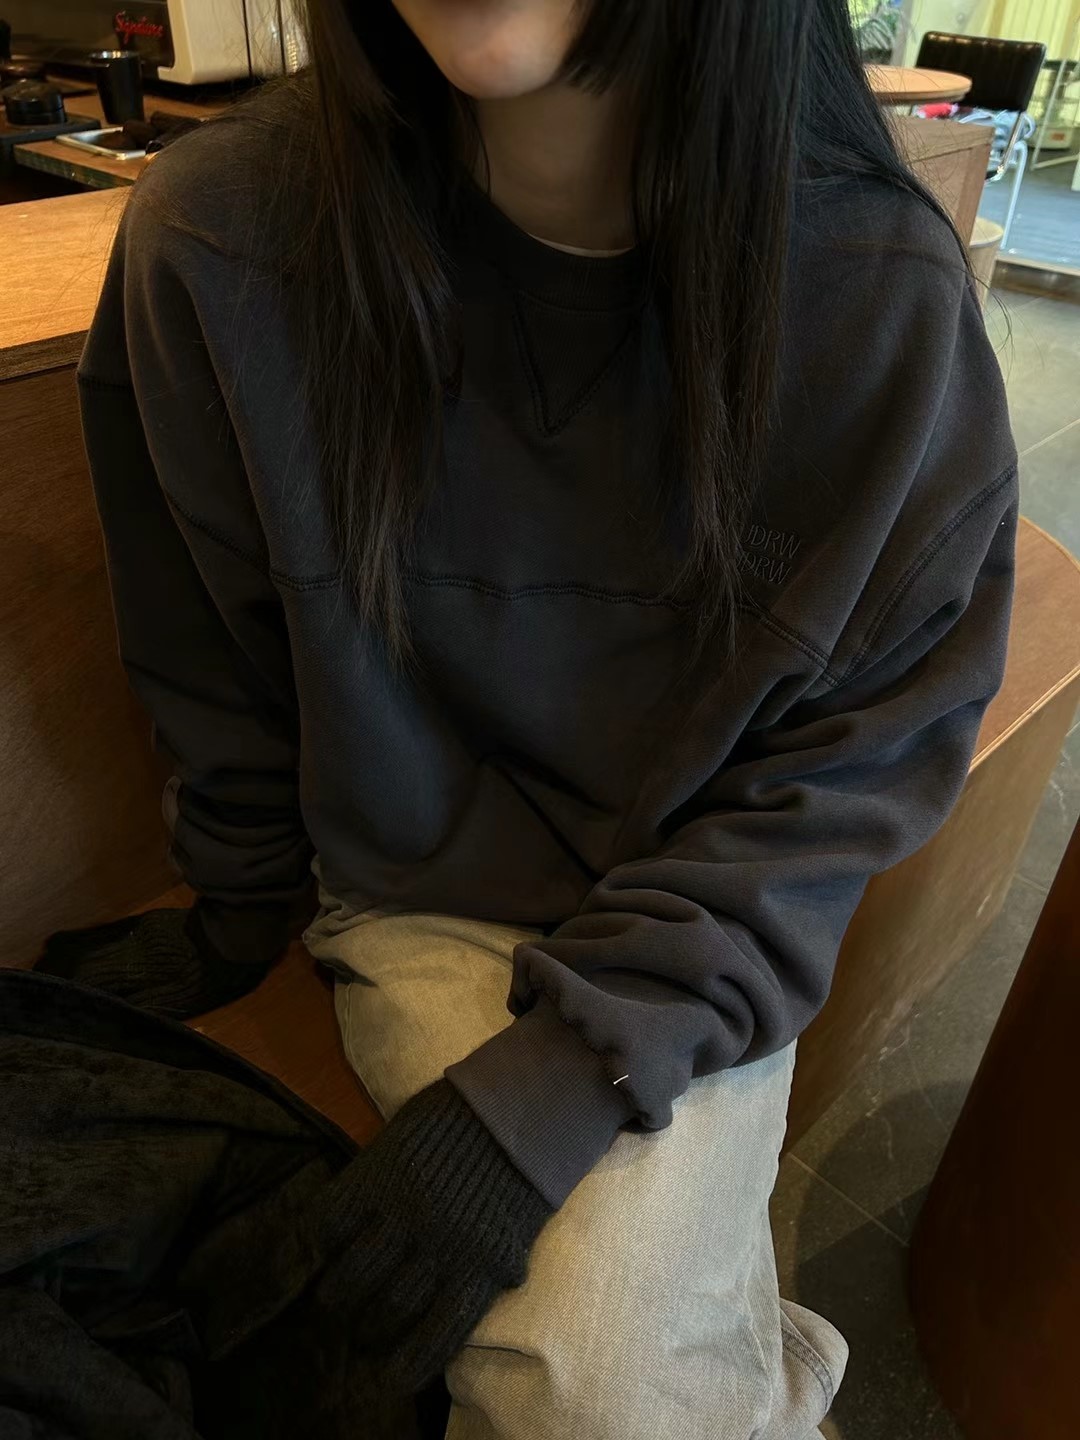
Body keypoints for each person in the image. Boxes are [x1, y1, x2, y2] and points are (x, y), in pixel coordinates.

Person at [37, 1, 1018, 1435]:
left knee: (603, 1391)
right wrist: (236, 907)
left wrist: (559, 1085)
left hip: (700, 904)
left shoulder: (877, 292)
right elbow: (209, 646)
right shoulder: (219, 234)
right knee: (595, 1391)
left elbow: (864, 751)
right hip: (415, 895)